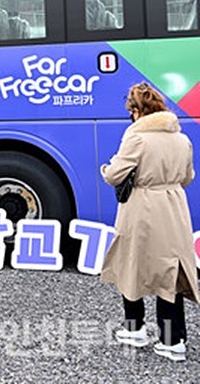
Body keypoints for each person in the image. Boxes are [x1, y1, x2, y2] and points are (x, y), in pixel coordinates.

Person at [100, 82, 198, 362]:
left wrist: (106, 167)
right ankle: (173, 339)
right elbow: (188, 177)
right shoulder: (181, 138)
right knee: (170, 271)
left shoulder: (136, 137)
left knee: (132, 264)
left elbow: (115, 175)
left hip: (142, 208)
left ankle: (135, 329)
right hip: (174, 207)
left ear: (136, 111)